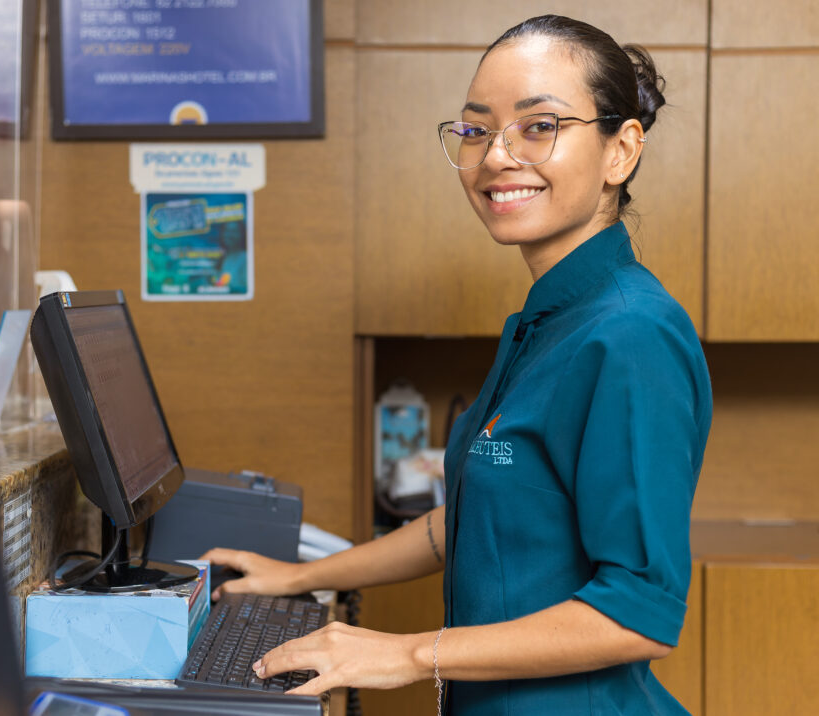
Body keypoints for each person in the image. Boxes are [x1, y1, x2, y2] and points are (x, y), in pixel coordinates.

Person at [202, 14, 712, 715]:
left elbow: (638, 613)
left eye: (539, 126)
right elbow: (471, 517)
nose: (497, 156)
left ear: (620, 150)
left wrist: (405, 652)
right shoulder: (546, 322)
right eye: (476, 130)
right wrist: (297, 577)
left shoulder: (629, 337)